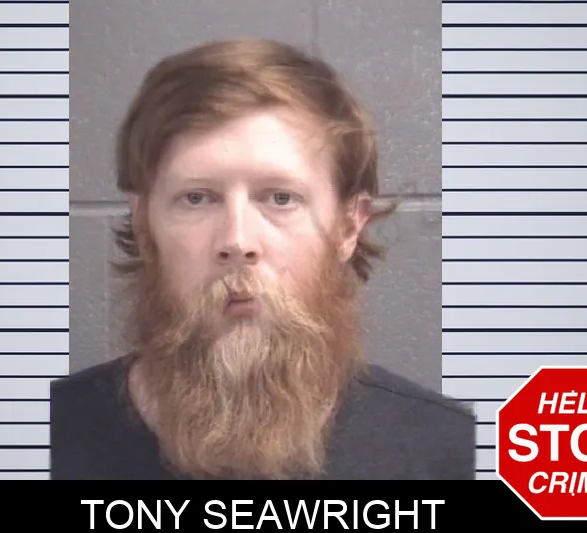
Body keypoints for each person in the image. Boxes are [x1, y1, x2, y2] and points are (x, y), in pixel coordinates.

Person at [52, 38, 475, 480]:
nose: (237, 241)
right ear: (143, 225)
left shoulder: (454, 458)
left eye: (280, 198)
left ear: (349, 228)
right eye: (196, 198)